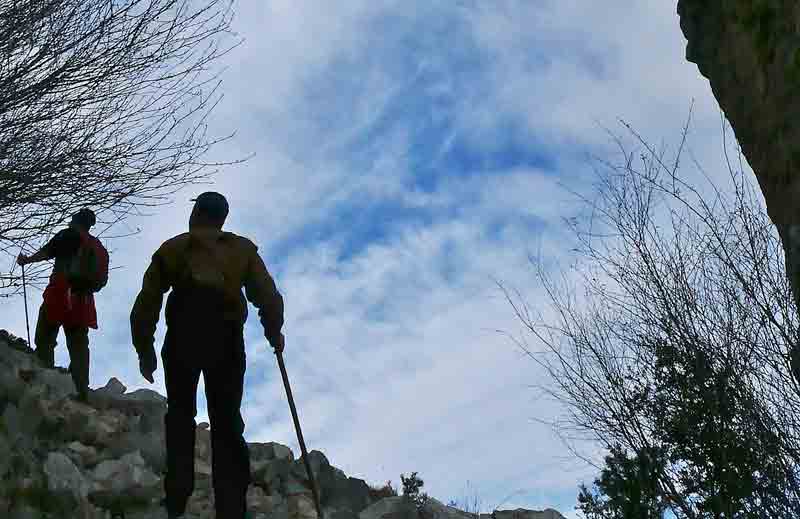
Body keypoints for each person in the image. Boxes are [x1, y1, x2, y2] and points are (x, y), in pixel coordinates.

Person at [130, 192, 285, 519]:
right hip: (226, 338)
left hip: (184, 335)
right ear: (222, 219)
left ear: (196, 213)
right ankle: (231, 509)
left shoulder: (173, 248)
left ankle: (176, 497)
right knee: (227, 422)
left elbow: (147, 302)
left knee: (181, 415)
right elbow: (267, 296)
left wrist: (145, 349)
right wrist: (274, 332)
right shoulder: (242, 250)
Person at [17, 208, 104, 403]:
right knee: (79, 347)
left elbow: (47, 252)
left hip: (59, 294)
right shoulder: (96, 246)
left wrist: (26, 260)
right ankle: (81, 391)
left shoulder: (68, 235)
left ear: (76, 220)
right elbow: (100, 280)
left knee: (45, 338)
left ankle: (45, 382)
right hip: (83, 302)